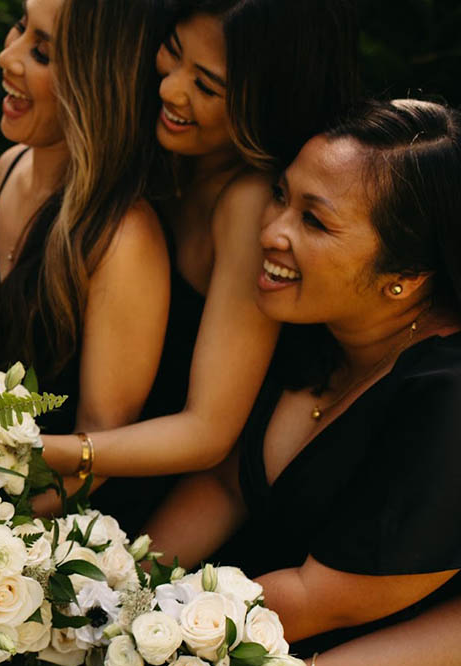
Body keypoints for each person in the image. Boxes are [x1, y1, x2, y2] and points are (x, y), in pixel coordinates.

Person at [145, 98, 461, 663]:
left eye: (313, 220)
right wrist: (103, 578)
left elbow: (322, 598)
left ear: (405, 276)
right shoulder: (307, 324)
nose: (271, 230)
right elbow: (226, 486)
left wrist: (131, 625)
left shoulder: (447, 398)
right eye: (281, 196)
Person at [40, 0, 360, 532]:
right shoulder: (161, 158)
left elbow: (207, 432)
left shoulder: (249, 204)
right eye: (173, 52)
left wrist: (34, 453)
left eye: (207, 86)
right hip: (91, 469)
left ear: (267, 105)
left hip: (165, 509)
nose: (170, 89)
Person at [0, 0, 170, 514]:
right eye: (19, 27)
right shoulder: (7, 166)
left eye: (41, 52)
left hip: (36, 535)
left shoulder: (122, 235)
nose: (8, 57)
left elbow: (101, 454)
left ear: (96, 81)